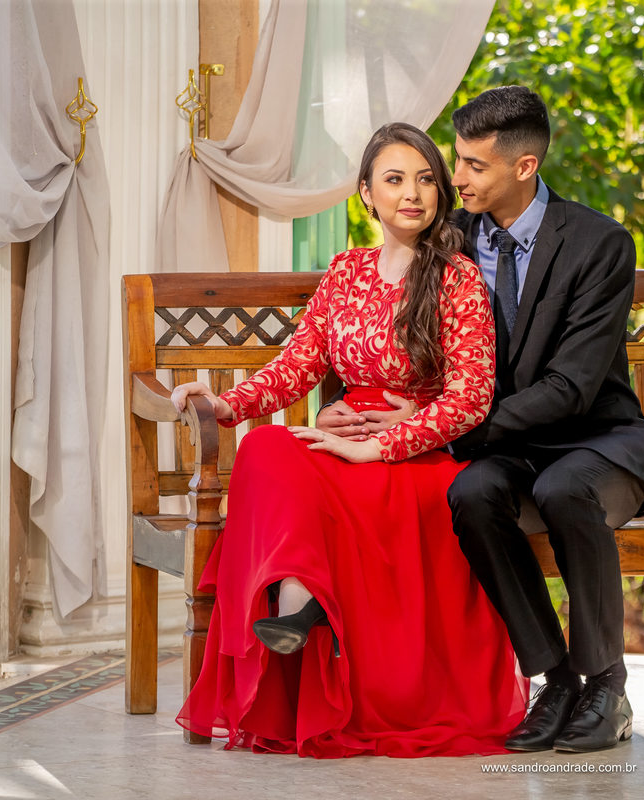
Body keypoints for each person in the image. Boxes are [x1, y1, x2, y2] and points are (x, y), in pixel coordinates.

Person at [317, 87, 644, 753]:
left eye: (473, 166)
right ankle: (555, 677)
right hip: (504, 451)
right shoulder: (451, 241)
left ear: (524, 167)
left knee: (565, 489)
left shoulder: (599, 244)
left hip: (598, 443)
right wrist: (357, 403)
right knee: (471, 493)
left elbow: (571, 385)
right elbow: (392, 331)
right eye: (456, 161)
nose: (455, 179)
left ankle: (607, 684)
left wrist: (452, 429)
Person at [169, 122, 527, 758]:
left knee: (321, 475)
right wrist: (226, 403)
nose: (411, 194)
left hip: (415, 453)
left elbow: (470, 399)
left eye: (424, 180)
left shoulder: (459, 279)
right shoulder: (345, 272)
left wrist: (380, 444)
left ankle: (304, 608)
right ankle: (299, 603)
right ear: (366, 193)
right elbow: (297, 366)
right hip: (344, 443)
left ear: (441, 192)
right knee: (265, 448)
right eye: (393, 180)